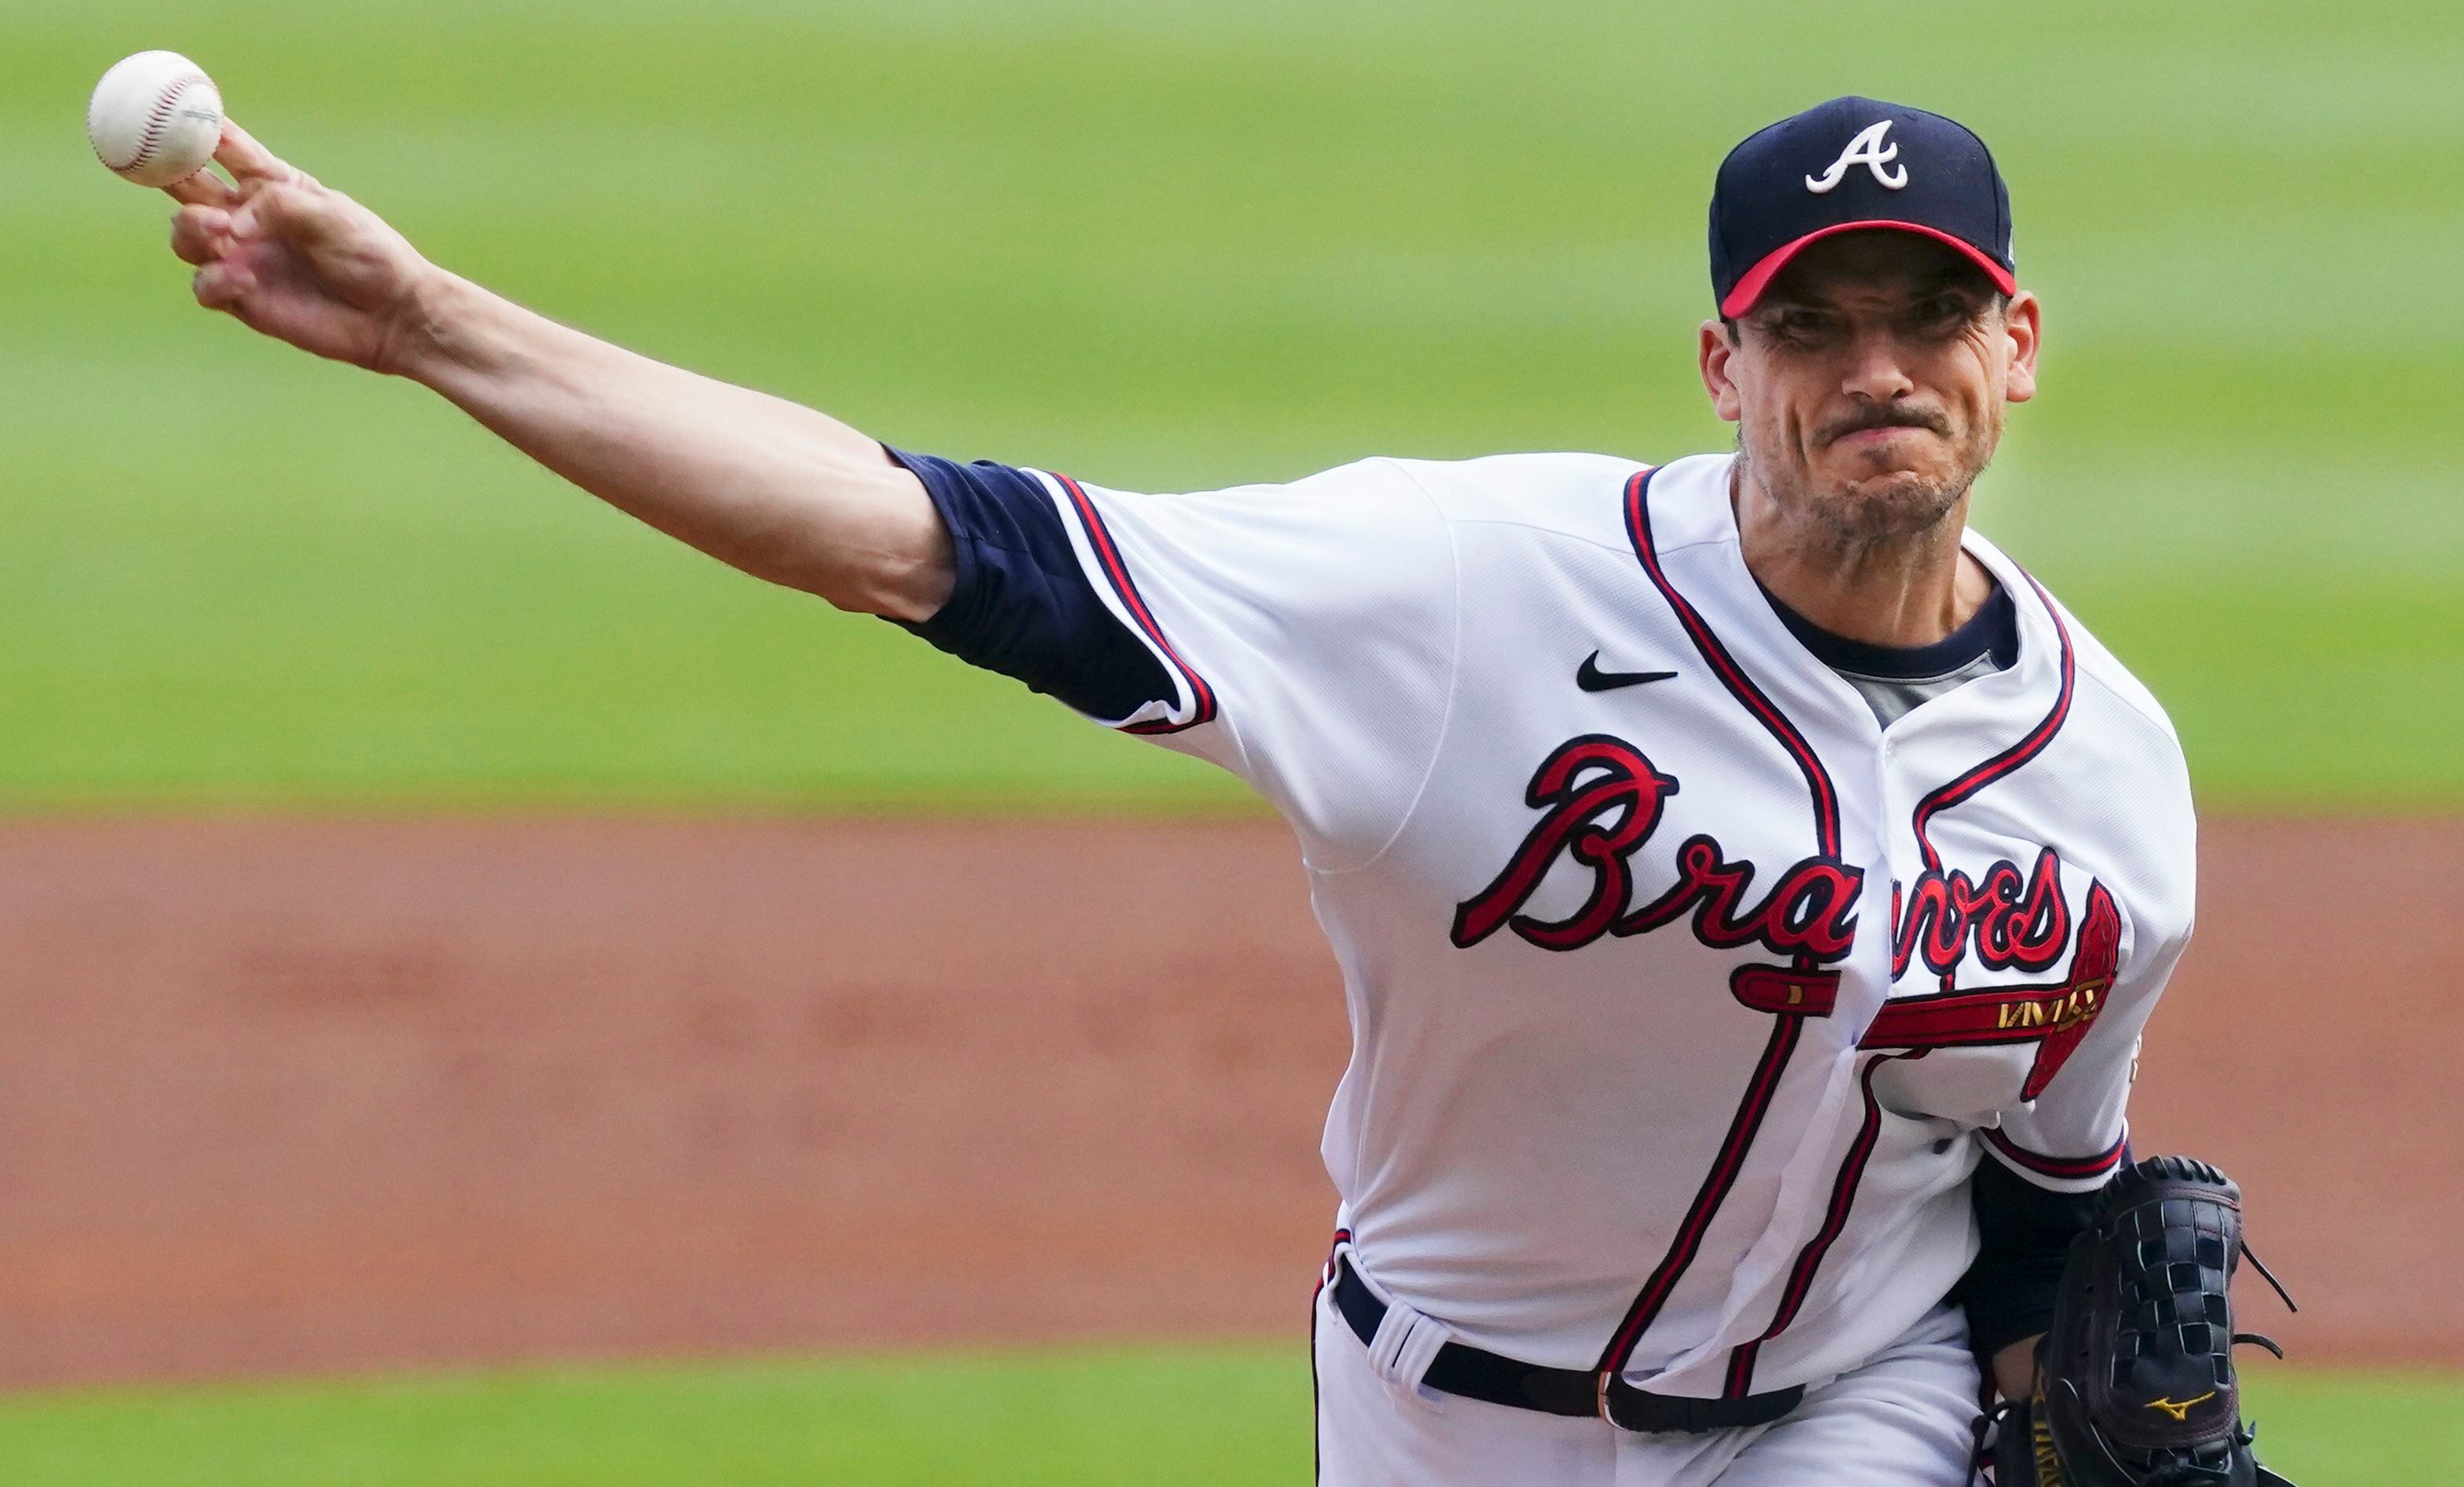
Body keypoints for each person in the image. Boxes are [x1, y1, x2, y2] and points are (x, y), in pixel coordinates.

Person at [162, 95, 2198, 1485]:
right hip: (1439, 1417)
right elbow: (907, 537)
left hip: (1844, 1411)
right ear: (1716, 363)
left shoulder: (2099, 776)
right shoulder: (1465, 589)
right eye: (1808, 325)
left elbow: (2040, 1202)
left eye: (1927, 318)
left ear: (2009, 346)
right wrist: (437, 328)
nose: (1874, 371)